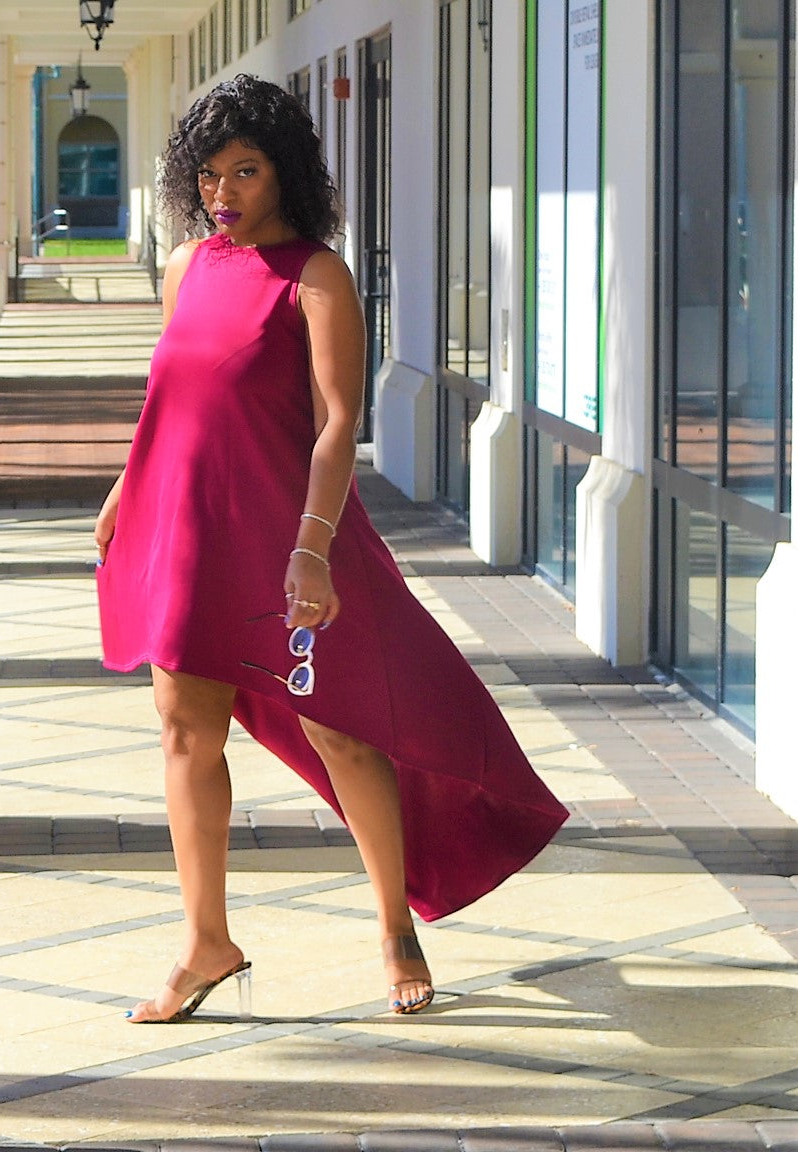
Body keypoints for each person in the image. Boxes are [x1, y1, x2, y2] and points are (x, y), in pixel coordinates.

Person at [94, 74, 567, 1024]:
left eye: (247, 171)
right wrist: (122, 493)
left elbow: (336, 421)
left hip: (290, 536)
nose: (224, 191)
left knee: (342, 728)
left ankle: (395, 925)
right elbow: (173, 399)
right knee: (186, 729)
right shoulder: (187, 265)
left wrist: (310, 550)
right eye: (209, 173)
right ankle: (205, 941)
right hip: (186, 528)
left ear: (285, 175)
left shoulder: (317, 275)